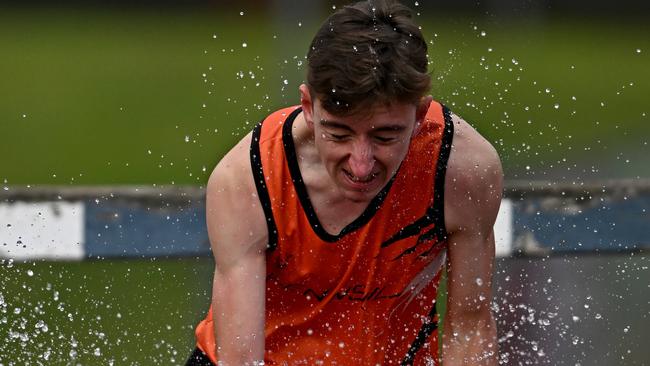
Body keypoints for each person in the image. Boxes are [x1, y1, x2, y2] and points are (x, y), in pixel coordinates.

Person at [187, 0, 502, 364]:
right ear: (308, 106)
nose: (361, 165)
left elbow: (470, 327)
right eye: (338, 134)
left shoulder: (462, 168)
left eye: (385, 137)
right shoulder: (248, 177)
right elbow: (240, 359)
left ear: (418, 115)